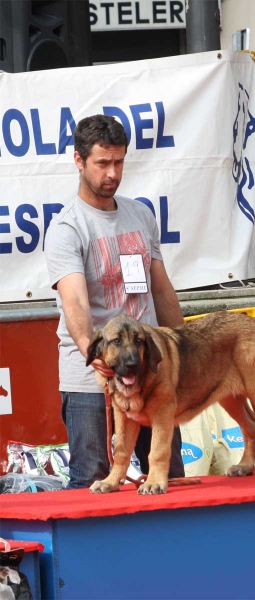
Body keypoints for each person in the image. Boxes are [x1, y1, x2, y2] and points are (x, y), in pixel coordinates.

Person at [44, 114, 185, 489]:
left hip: (150, 371)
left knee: (167, 477)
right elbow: (74, 302)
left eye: (119, 162)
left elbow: (161, 289)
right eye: (102, 163)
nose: (112, 173)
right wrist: (93, 354)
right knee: (93, 482)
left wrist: (185, 351)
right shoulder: (66, 228)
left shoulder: (140, 214)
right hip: (92, 379)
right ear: (79, 161)